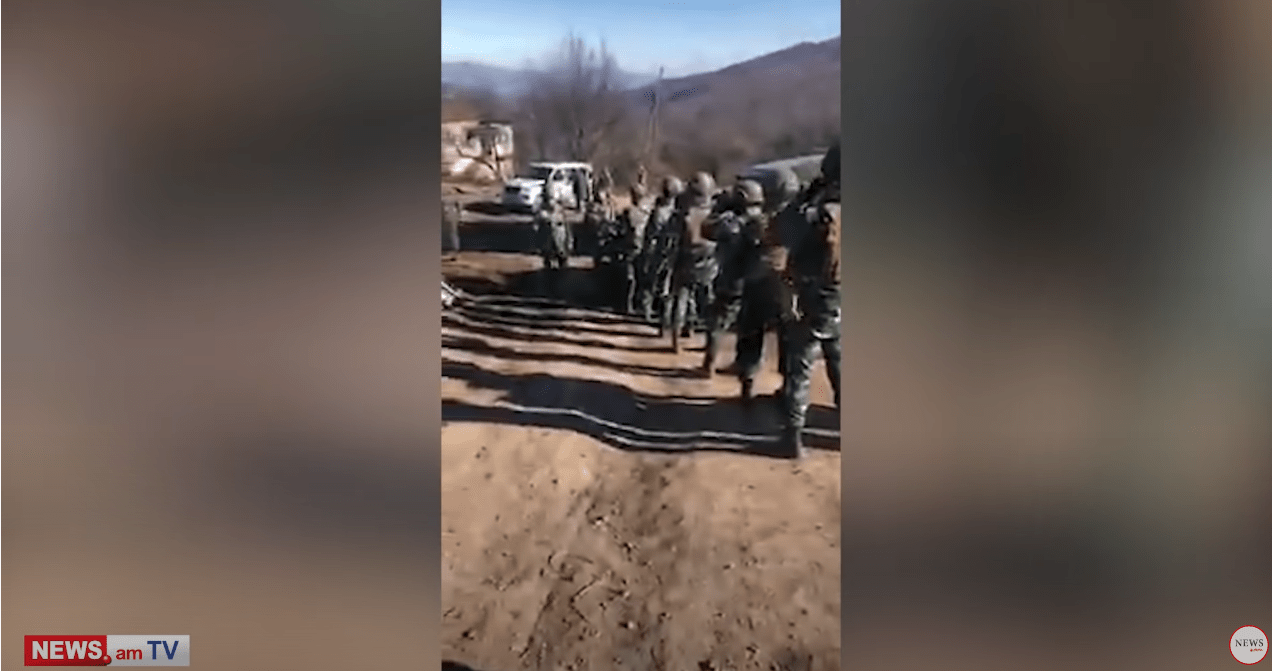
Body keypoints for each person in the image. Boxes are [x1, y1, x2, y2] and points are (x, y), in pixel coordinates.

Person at [778, 143, 841, 458]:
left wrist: (804, 198)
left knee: (800, 367)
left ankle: (793, 437)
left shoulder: (817, 208)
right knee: (841, 364)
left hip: (814, 296)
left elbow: (782, 232)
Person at [700, 180, 758, 376]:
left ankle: (709, 363)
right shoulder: (763, 220)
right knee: (749, 329)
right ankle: (746, 370)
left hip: (730, 280)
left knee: (717, 323)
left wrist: (719, 207)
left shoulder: (730, 222)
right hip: (755, 283)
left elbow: (706, 229)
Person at [667, 171, 719, 354]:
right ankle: (711, 345)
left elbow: (674, 239)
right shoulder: (714, 214)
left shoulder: (685, 215)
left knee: (680, 300)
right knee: (709, 305)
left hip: (686, 260)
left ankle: (676, 340)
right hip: (709, 263)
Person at [640, 176, 684, 327]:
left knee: (651, 281)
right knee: (667, 285)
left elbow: (650, 233)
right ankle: (665, 315)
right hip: (673, 252)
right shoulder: (679, 212)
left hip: (659, 250)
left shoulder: (659, 212)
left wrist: (646, 250)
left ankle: (648, 311)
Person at [621, 183, 653, 315]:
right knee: (643, 278)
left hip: (631, 247)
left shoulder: (629, 212)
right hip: (645, 247)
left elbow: (622, 230)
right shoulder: (649, 212)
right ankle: (644, 307)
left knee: (630, 278)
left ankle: (628, 305)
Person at [535, 189, 571, 272]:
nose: (551, 203)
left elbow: (566, 227)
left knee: (561, 252)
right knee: (548, 254)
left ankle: (562, 266)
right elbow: (537, 227)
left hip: (559, 235)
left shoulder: (560, 211)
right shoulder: (542, 213)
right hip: (547, 237)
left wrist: (569, 242)